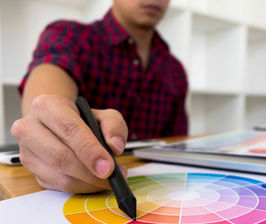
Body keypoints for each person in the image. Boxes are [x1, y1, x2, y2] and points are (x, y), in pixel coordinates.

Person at [11, 0, 188, 193]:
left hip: (160, 192)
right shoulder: (68, 36)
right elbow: (46, 100)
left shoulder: (175, 69)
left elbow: (176, 144)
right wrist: (49, 121)